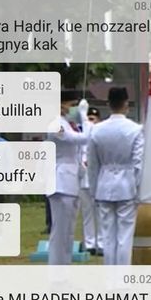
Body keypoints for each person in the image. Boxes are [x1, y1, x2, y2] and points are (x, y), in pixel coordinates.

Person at [88, 87, 144, 265]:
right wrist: (138, 188)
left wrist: (93, 190)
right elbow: (138, 164)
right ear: (126, 104)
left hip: (104, 184)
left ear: (108, 104)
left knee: (107, 236)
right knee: (124, 237)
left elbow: (93, 165)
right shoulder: (135, 130)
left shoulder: (96, 130)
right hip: (127, 185)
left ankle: (110, 279)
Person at [46, 91, 90, 265]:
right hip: (61, 182)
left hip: (71, 182)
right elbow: (83, 139)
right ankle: (56, 275)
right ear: (60, 105)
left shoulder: (68, 123)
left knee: (68, 233)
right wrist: (85, 118)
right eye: (71, 104)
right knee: (60, 234)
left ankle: (63, 273)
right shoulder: (56, 125)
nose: (73, 108)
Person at [79, 107, 104, 256]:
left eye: (93, 119)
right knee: (87, 213)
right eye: (88, 119)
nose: (90, 122)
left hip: (98, 179)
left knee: (100, 213)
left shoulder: (100, 135)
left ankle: (101, 243)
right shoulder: (81, 136)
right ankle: (90, 243)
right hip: (83, 180)